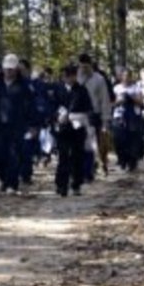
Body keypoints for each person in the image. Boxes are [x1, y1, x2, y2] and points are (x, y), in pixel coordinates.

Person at [0, 53, 35, 193]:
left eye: (11, 69)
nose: (8, 71)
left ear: (16, 69)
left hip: (18, 126)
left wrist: (33, 126)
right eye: (6, 68)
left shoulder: (25, 85)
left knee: (14, 155)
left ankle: (12, 184)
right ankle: (5, 179)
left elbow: (32, 106)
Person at [54, 65, 93, 196]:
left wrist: (75, 116)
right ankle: (61, 184)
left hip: (78, 127)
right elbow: (52, 105)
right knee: (63, 156)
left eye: (69, 76)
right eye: (64, 76)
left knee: (77, 156)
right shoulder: (58, 89)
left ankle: (76, 184)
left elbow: (88, 108)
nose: (66, 79)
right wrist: (57, 116)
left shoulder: (82, 90)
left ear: (73, 76)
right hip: (62, 128)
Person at [77, 54, 111, 179]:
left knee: (93, 144)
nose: (84, 69)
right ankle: (85, 169)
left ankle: (93, 167)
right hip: (79, 115)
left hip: (94, 115)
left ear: (91, 65)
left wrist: (105, 120)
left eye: (86, 66)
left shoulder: (99, 79)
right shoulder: (77, 78)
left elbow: (104, 100)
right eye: (82, 67)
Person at [112, 69, 144, 172]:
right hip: (119, 116)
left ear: (131, 77)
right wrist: (119, 100)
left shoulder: (136, 88)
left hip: (132, 117)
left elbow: (141, 102)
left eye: (128, 76)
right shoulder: (116, 88)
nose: (126, 78)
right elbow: (111, 103)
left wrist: (131, 97)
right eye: (124, 76)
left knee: (132, 141)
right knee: (119, 140)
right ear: (121, 77)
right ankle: (122, 161)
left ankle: (132, 162)